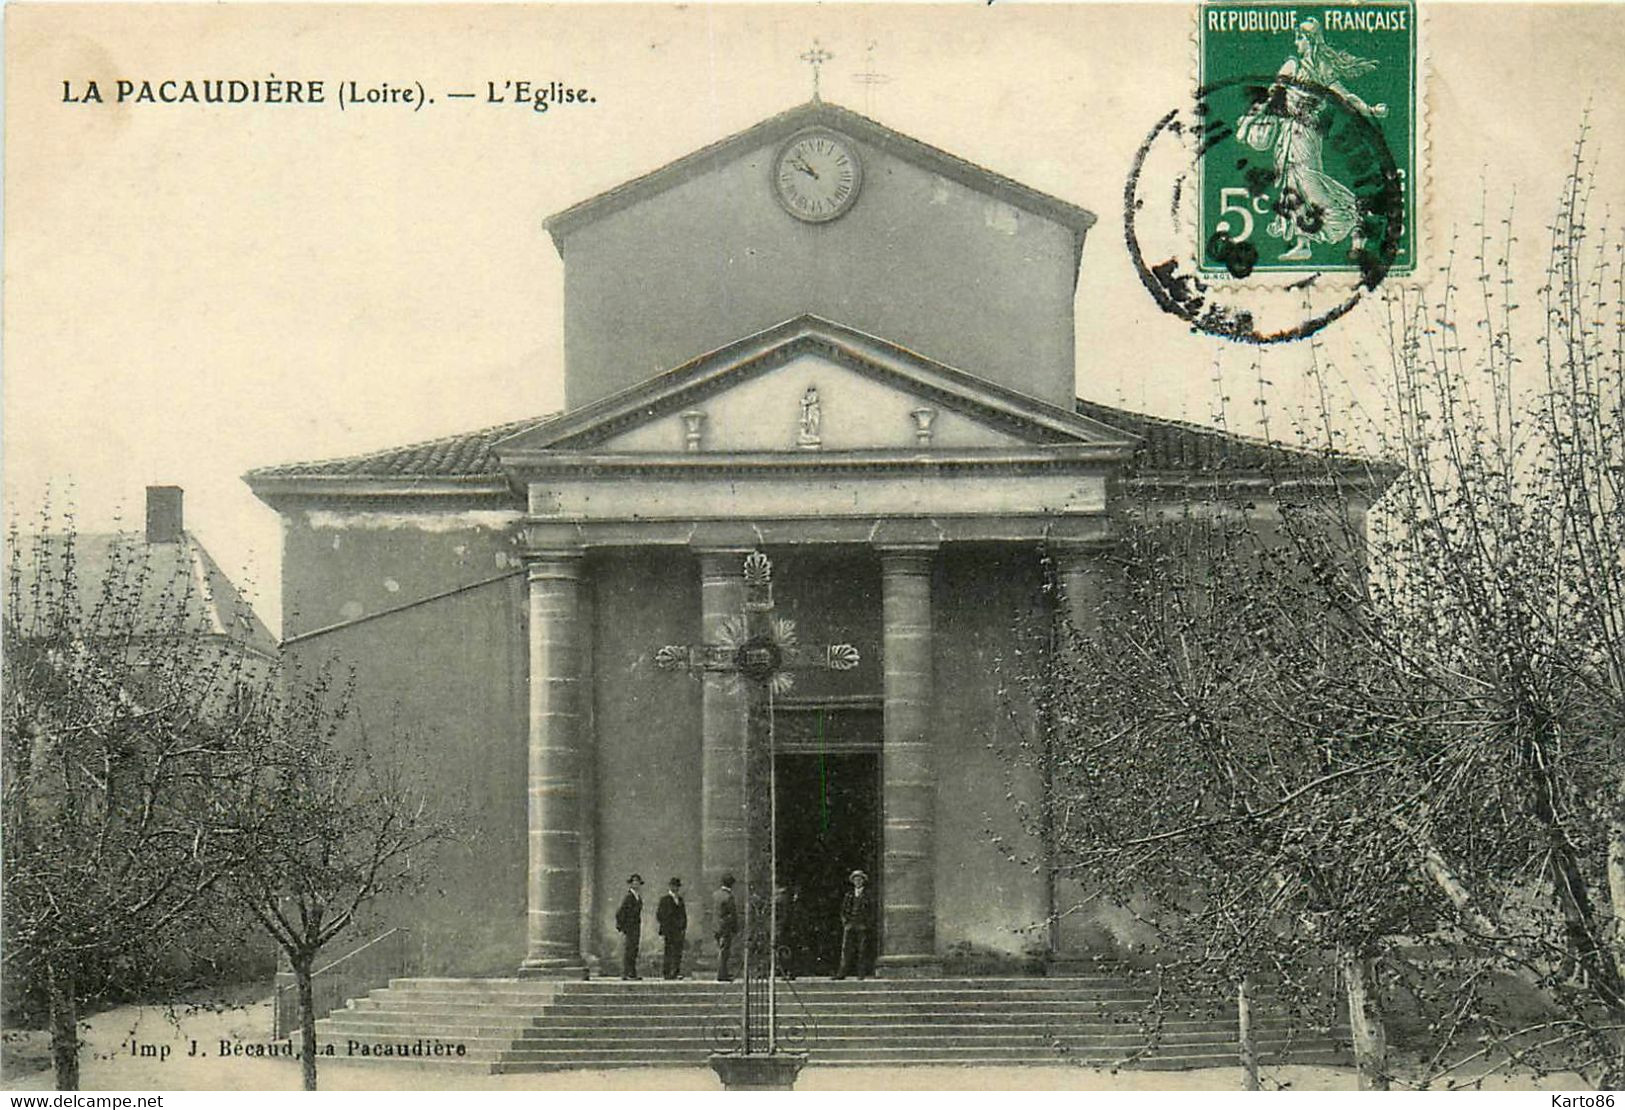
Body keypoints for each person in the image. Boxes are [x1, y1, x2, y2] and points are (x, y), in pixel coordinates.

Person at [835, 869, 876, 979]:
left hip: (862, 925)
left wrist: (867, 924)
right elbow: (843, 910)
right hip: (850, 924)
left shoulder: (868, 895)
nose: (857, 881)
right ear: (853, 881)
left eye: (860, 879)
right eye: (855, 879)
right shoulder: (849, 895)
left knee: (862, 950)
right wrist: (845, 922)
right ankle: (842, 973)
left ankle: (861, 973)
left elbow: (872, 911)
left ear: (863, 881)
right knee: (846, 949)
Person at [656, 876, 688, 980]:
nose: (675, 888)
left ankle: (676, 972)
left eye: (677, 886)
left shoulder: (680, 900)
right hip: (669, 931)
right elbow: (659, 915)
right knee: (668, 951)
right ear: (670, 887)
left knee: (678, 952)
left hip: (679, 931)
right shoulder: (664, 900)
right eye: (673, 886)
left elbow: (683, 915)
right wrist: (666, 926)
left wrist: (683, 926)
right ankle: (667, 972)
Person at [615, 873, 644, 980]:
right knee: (629, 950)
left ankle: (632, 972)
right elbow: (620, 912)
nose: (636, 884)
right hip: (630, 927)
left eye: (638, 882)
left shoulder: (638, 897)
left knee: (633, 949)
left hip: (636, 927)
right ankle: (627, 973)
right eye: (634, 882)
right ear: (631, 884)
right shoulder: (629, 897)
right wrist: (623, 926)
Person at [713, 874, 739, 982]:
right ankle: (722, 974)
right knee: (724, 951)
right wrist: (735, 927)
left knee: (721, 949)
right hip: (725, 927)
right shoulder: (729, 896)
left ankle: (722, 972)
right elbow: (732, 913)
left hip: (716, 926)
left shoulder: (715, 894)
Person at [773, 883, 798, 980]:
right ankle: (787, 971)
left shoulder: (780, 899)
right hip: (786, 927)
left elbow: (782, 916)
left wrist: (778, 928)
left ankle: (786, 971)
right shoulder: (787, 899)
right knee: (785, 949)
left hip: (782, 928)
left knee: (783, 949)